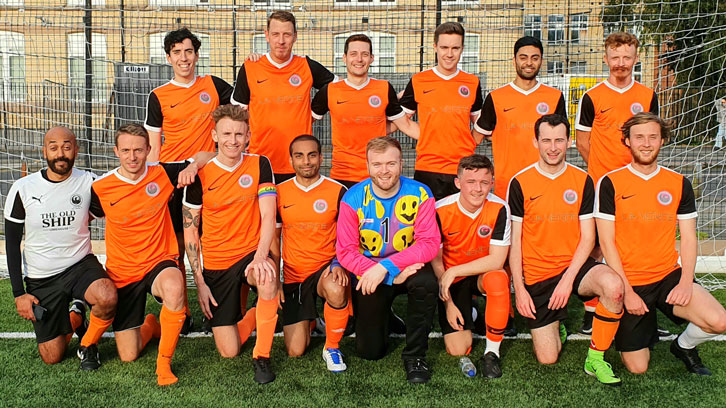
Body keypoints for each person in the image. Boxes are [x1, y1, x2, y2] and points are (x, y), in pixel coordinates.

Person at [595, 112, 726, 375]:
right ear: (627, 142)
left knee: (719, 321)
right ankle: (641, 325)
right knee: (637, 368)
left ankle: (684, 345)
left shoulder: (678, 183)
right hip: (629, 281)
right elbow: (607, 242)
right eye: (639, 137)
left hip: (667, 276)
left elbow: (688, 238)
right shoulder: (610, 182)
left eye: (653, 137)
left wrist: (686, 281)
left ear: (662, 140)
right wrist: (628, 291)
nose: (646, 143)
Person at [509, 114, 625, 386]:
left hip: (574, 267)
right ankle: (556, 323)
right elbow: (515, 241)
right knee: (548, 358)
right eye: (546, 140)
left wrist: (566, 281)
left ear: (569, 142)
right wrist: (519, 288)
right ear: (535, 141)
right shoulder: (520, 182)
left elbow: (587, 238)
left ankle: (595, 358)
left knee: (613, 286)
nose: (553, 147)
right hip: (537, 274)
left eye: (559, 140)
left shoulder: (582, 180)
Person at [90, 123, 210, 386]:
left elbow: (208, 155)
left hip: (159, 262)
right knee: (128, 355)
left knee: (175, 286)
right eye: (126, 150)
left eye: (138, 150)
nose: (132, 157)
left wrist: (191, 167)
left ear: (148, 150)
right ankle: (152, 325)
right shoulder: (101, 187)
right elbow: (85, 221)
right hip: (123, 272)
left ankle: (164, 365)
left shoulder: (163, 173)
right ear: (116, 151)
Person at [4, 127, 117, 370]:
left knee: (107, 296)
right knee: (52, 356)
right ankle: (77, 314)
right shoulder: (23, 188)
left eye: (67, 147)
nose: (61, 154)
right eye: (53, 148)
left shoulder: (88, 182)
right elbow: (12, 243)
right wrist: (18, 293)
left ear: (76, 149)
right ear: (44, 151)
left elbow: (118, 196)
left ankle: (89, 344)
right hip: (41, 277)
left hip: (79, 265)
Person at [144, 28, 234, 332]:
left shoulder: (215, 86)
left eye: (189, 51)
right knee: (179, 246)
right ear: (169, 57)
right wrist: (149, 183)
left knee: (214, 242)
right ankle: (180, 311)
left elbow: (242, 111)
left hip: (208, 171)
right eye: (177, 52)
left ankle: (215, 311)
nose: (184, 58)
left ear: (197, 54)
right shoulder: (158, 95)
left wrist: (199, 160)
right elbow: (154, 148)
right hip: (172, 175)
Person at [182, 105, 279, 384]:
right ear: (214, 135)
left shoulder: (260, 164)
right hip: (216, 260)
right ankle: (253, 315)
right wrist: (199, 281)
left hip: (250, 252)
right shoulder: (198, 174)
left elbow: (269, 215)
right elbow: (191, 231)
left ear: (248, 136)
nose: (233, 140)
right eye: (226, 133)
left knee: (266, 277)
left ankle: (262, 356)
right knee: (229, 351)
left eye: (239, 134)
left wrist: (261, 258)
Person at [336, 136, 440, 384]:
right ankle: (387, 315)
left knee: (426, 284)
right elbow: (346, 252)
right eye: (378, 164)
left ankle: (415, 355)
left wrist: (388, 267)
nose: (384, 171)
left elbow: (429, 243)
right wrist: (389, 274)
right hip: (370, 270)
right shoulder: (352, 198)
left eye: (391, 163)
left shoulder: (421, 193)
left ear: (402, 164)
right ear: (368, 166)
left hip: (407, 266)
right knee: (370, 352)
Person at [575, 31, 659, 334]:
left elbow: (652, 134)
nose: (620, 63)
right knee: (596, 246)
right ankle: (591, 310)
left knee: (637, 244)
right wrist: (602, 170)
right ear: (606, 58)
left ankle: (644, 307)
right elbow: (582, 139)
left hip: (640, 183)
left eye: (627, 57)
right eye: (615, 57)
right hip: (603, 184)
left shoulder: (647, 95)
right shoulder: (592, 96)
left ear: (636, 59)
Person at [231, 11, 336, 182]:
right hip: (261, 160)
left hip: (299, 163)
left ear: (295, 36)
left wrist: (314, 113)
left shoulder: (306, 65)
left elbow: (336, 86)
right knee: (265, 209)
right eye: (275, 34)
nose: (281, 41)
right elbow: (237, 111)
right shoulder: (251, 67)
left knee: (295, 209)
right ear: (267, 36)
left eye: (287, 34)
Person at [276, 135, 350, 372]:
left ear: (321, 157)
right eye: (299, 155)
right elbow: (273, 239)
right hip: (294, 275)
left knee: (336, 289)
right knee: (295, 351)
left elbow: (347, 237)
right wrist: (277, 280)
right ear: (291, 160)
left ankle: (332, 347)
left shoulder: (339, 191)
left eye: (312, 155)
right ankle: (312, 319)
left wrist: (338, 262)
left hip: (325, 269)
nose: (306, 161)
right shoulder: (279, 192)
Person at [433, 154, 510, 378]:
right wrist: (448, 303)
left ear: (492, 183)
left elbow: (497, 260)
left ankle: (491, 353)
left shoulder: (499, 208)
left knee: (498, 278)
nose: (478, 189)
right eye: (471, 182)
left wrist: (455, 270)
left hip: (478, 274)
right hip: (450, 281)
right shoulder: (439, 209)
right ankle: (473, 312)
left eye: (484, 182)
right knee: (458, 349)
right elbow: (436, 260)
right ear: (458, 183)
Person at [311, 33, 419, 188]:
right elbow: (304, 121)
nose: (359, 59)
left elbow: (405, 125)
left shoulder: (384, 88)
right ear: (344, 58)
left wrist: (439, 140)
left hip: (378, 174)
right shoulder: (330, 91)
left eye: (365, 54)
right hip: (343, 175)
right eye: (353, 54)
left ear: (372, 58)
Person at [473, 36, 566, 200]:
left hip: (545, 183)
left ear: (541, 61)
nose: (529, 63)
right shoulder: (496, 97)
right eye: (523, 57)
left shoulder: (555, 96)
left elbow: (561, 142)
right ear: (514, 60)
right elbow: (475, 139)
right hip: (507, 186)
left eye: (534, 58)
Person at [399, 21, 483, 200]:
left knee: (461, 225)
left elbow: (481, 124)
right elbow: (402, 119)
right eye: (444, 47)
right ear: (435, 46)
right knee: (428, 225)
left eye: (455, 48)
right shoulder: (419, 80)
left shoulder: (472, 82)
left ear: (462, 49)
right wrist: (426, 134)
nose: (449, 54)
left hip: (463, 167)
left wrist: (469, 142)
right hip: (428, 168)